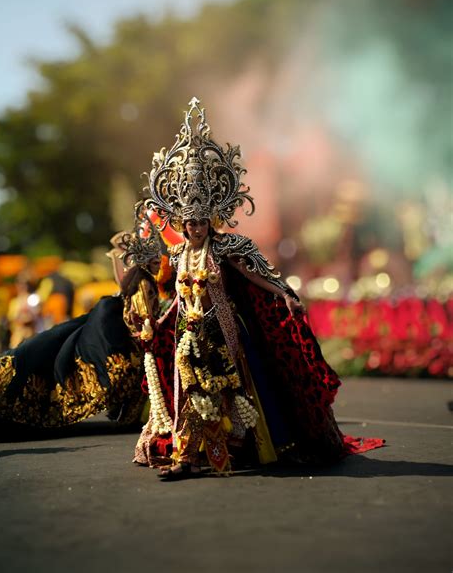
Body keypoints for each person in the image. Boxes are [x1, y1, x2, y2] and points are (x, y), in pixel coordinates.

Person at [132, 97, 385, 479]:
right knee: (189, 395)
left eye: (202, 221)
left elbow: (256, 276)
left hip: (226, 335)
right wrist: (156, 325)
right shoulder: (179, 253)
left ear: (211, 219)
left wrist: (283, 293)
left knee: (239, 393)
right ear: (182, 223)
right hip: (189, 334)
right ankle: (186, 457)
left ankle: (243, 449)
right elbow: (178, 300)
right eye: (190, 222)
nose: (196, 228)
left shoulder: (226, 246)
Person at [0, 207, 174, 430]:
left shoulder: (144, 285)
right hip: (101, 336)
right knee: (36, 353)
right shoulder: (139, 285)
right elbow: (136, 314)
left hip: (105, 335)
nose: (157, 264)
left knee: (38, 352)